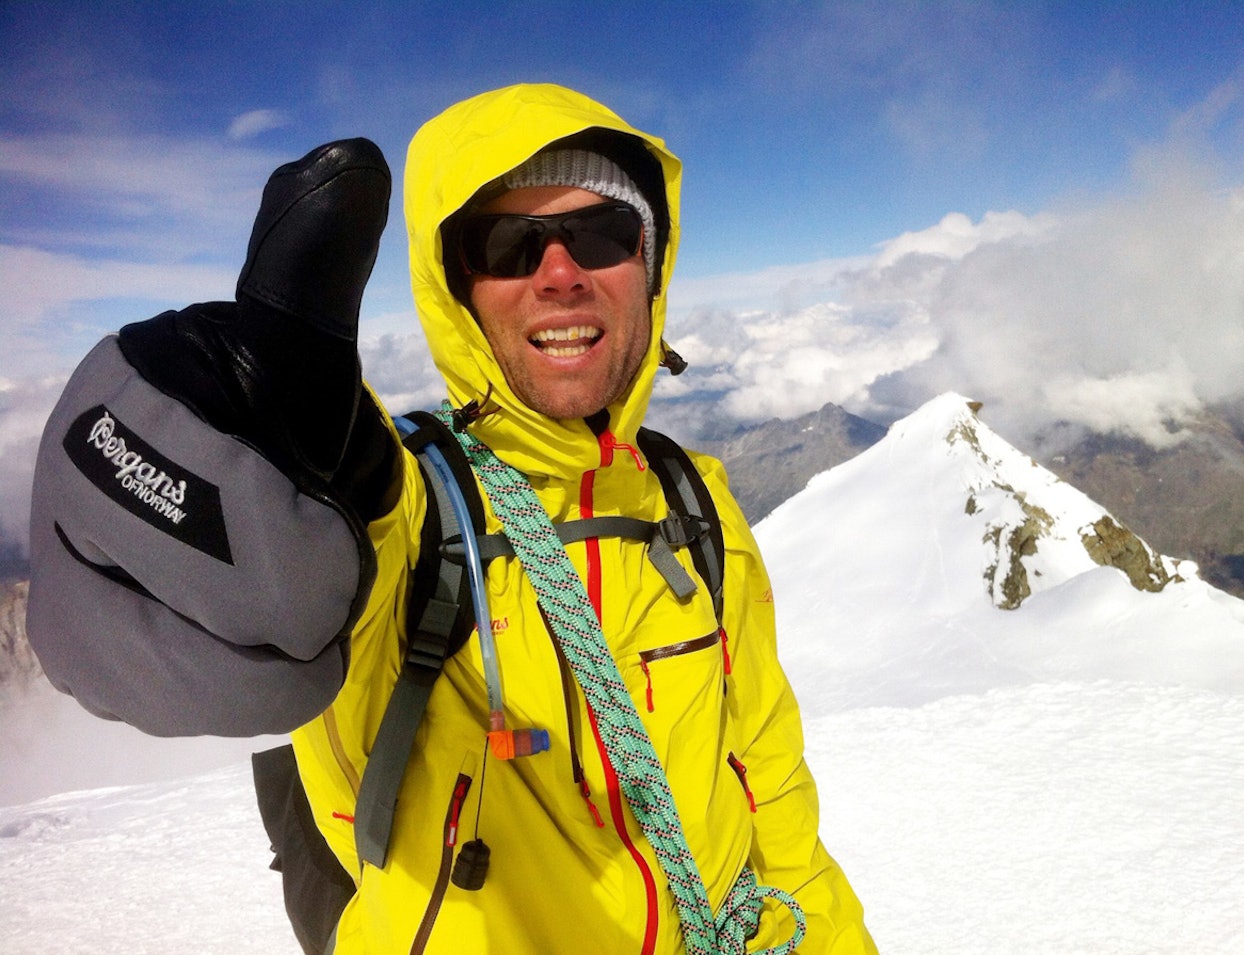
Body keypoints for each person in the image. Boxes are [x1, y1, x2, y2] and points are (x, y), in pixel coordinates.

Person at [27, 83, 877, 953]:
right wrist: (199, 479)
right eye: (507, 245)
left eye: (603, 233)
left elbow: (773, 800)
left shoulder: (696, 503)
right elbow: (338, 536)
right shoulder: (407, 508)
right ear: (457, 290)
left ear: (651, 267)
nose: (560, 272)